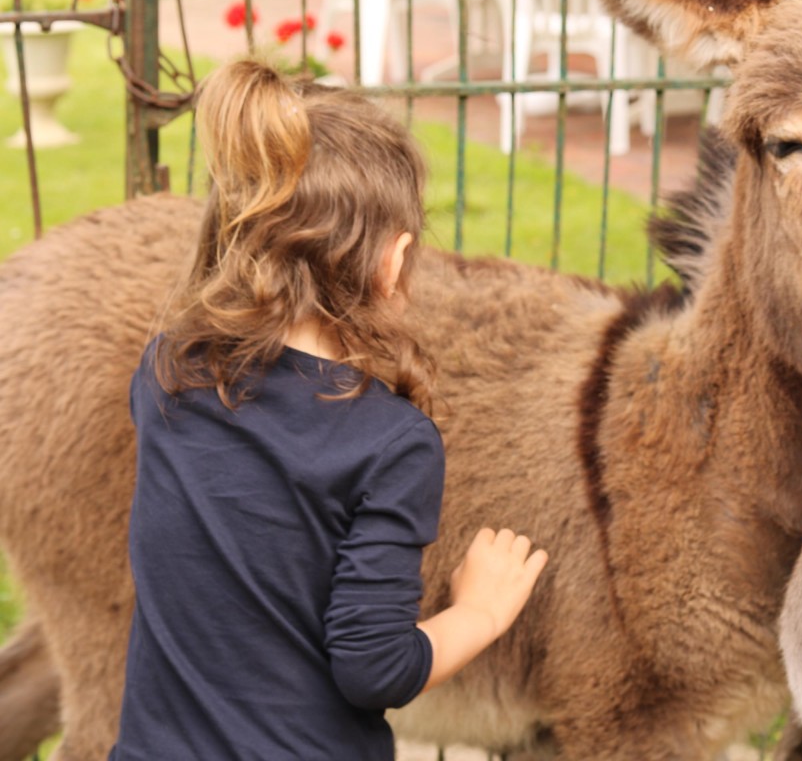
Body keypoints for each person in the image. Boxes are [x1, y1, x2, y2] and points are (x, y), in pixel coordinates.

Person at [108, 58, 548, 761]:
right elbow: (373, 668)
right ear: (392, 262)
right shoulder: (391, 444)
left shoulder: (166, 373)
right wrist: (481, 611)